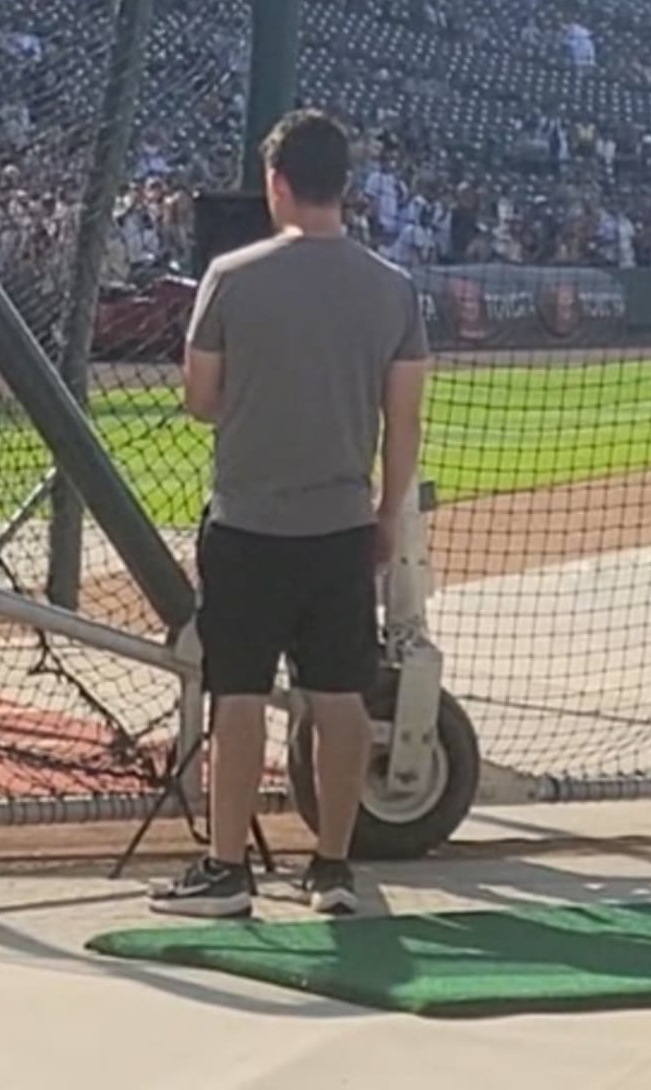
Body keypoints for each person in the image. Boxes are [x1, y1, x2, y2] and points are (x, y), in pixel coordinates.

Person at [153, 109, 427, 920]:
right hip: (341, 520)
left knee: (238, 693)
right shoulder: (392, 287)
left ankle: (227, 867)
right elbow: (405, 418)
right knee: (338, 695)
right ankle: (333, 869)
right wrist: (386, 512)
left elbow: (199, 400)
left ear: (276, 183)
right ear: (345, 186)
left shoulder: (233, 276)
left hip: (247, 520)